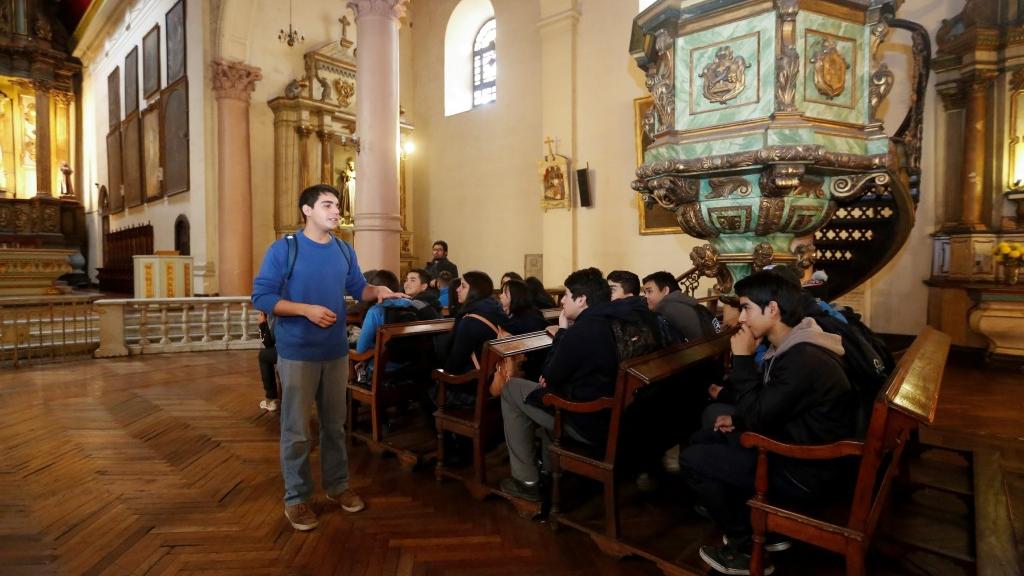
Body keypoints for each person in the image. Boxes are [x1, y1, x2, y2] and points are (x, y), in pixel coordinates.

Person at [252, 183, 404, 532]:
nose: (336, 211)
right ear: (307, 210)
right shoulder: (284, 250)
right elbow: (261, 297)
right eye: (327, 205)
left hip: (335, 352)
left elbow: (357, 289)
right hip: (297, 352)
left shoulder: (343, 250)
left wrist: (375, 290)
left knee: (335, 426)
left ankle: (337, 486)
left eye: (337, 205)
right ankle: (297, 498)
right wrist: (304, 310)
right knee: (297, 430)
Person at [681, 271, 855, 575]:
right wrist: (736, 417)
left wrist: (742, 358)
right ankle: (763, 529)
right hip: (793, 443)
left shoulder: (804, 358)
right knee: (703, 439)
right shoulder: (795, 342)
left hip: (807, 469)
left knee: (693, 459)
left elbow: (759, 415)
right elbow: (771, 404)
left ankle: (745, 545)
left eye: (747, 307)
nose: (742, 317)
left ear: (772, 310)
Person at [498, 267, 620, 502]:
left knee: (511, 389)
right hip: (605, 413)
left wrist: (563, 331)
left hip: (584, 420)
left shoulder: (583, 330)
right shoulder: (608, 321)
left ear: (582, 299)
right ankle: (546, 469)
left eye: (566, 295)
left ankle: (526, 481)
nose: (562, 300)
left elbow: (549, 374)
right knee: (534, 391)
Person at [643, 271, 714, 341]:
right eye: (645, 292)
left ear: (665, 290)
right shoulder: (693, 304)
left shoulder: (664, 309)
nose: (645, 296)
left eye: (649, 291)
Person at [257, 311, 279, 412]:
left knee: (263, 356)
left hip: (292, 350)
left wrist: (262, 325)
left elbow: (268, 343)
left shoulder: (274, 313)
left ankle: (271, 399)